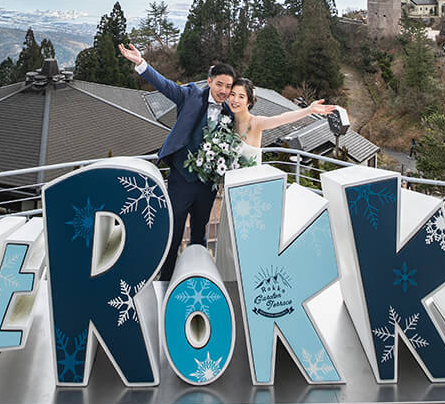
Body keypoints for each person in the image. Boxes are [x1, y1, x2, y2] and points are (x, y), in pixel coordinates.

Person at [118, 42, 235, 280]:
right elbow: (165, 85)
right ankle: (165, 278)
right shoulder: (190, 94)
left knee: (200, 235)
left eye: (228, 86)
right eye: (220, 84)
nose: (223, 90)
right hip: (181, 178)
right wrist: (141, 63)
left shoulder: (230, 112)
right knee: (173, 230)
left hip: (207, 184)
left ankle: (198, 277)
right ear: (210, 81)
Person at [228, 77, 337, 165]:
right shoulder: (227, 121)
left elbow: (281, 118)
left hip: (249, 181)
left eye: (241, 96)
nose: (235, 100)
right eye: (232, 94)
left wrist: (309, 110)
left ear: (249, 102)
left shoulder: (255, 123)